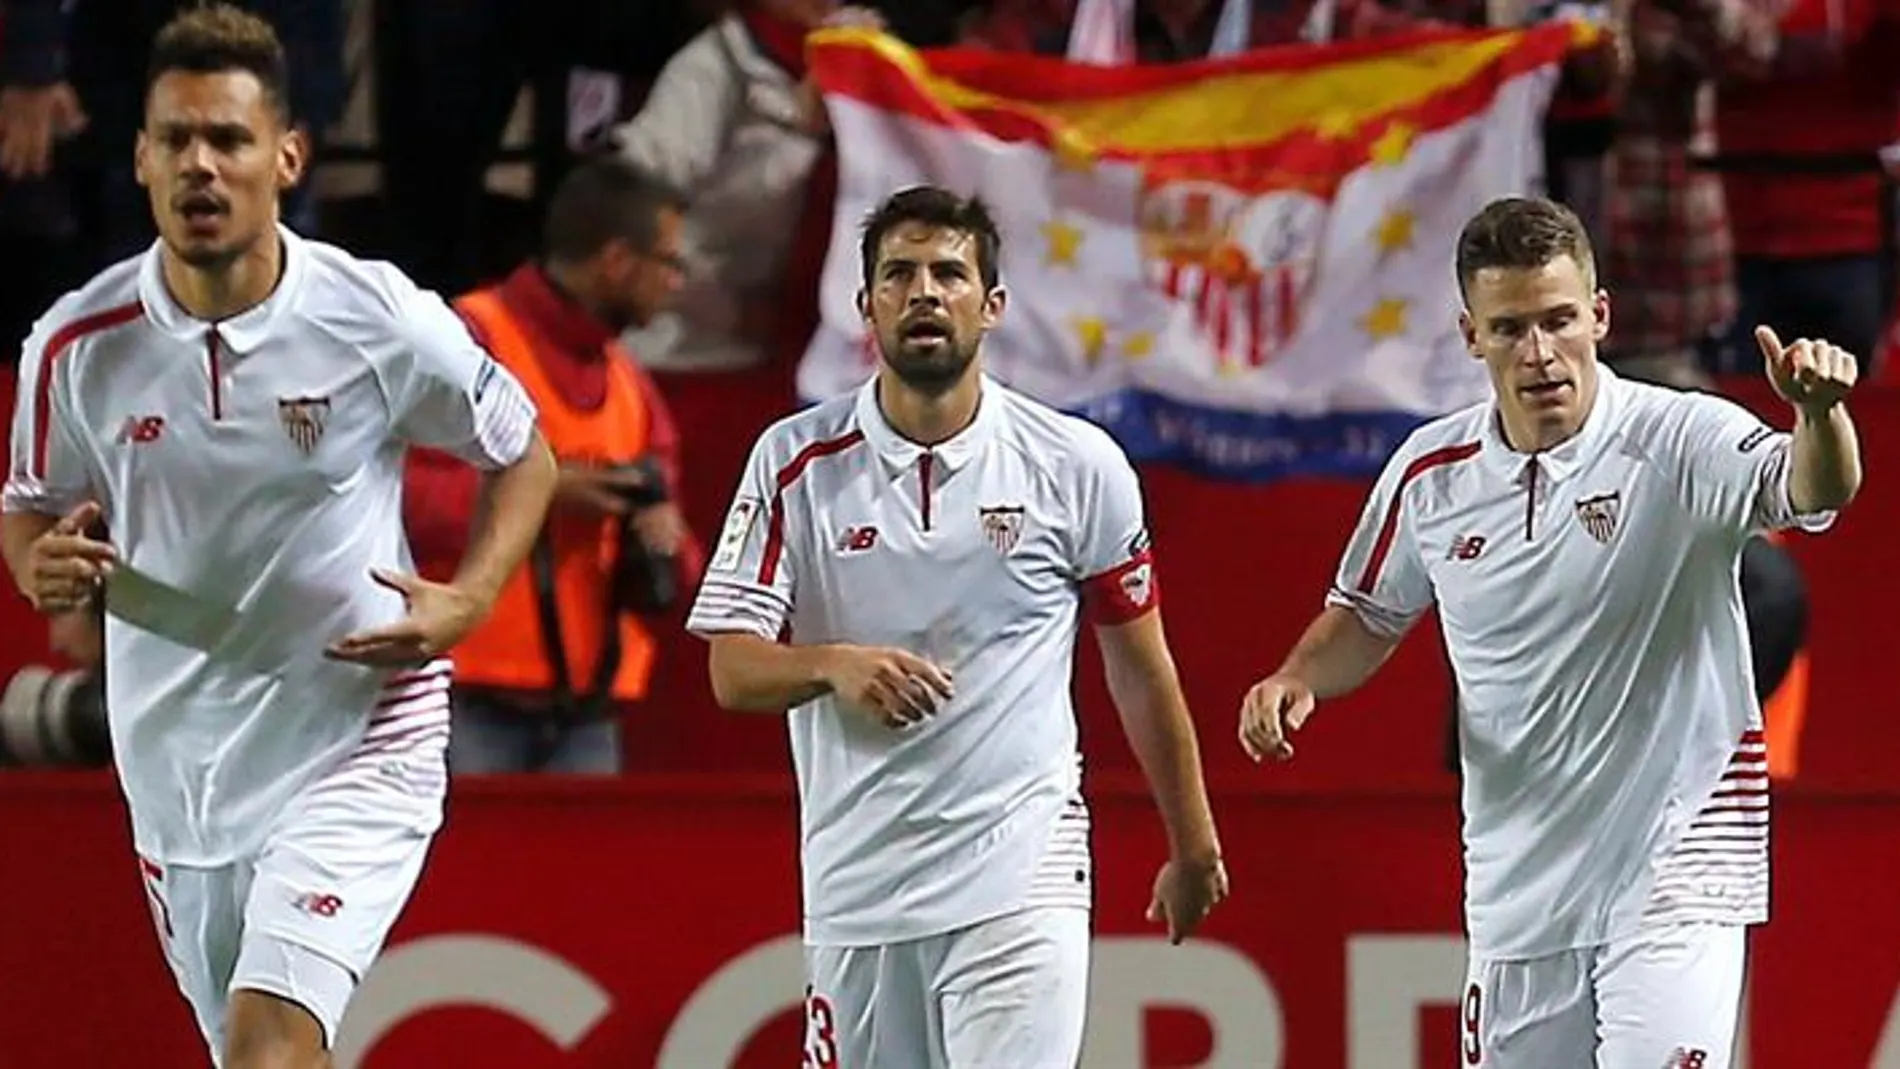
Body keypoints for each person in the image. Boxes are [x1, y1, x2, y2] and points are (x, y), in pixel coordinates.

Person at [0, 7, 557, 1068]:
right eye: (177, 141)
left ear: (288, 156)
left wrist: (472, 599)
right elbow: (27, 503)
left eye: (229, 140)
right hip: (178, 767)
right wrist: (39, 563)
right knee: (255, 1056)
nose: (201, 166)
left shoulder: (375, 317)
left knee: (266, 1049)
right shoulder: (76, 346)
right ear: (141, 158)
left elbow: (521, 452)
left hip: (358, 734)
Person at [1238, 195, 1862, 1067]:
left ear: (1598, 316)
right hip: (1518, 896)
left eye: (1559, 320)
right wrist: (1296, 678)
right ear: (1471, 336)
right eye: (1510, 328)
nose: (1539, 354)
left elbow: (1816, 488)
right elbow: (1368, 615)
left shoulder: (1677, 436)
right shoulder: (1428, 475)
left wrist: (1821, 416)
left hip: (1675, 871)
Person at [688, 185, 1229, 1067]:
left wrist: (1193, 840)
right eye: (899, 274)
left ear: (993, 303)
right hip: (858, 887)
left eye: (949, 272)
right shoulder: (794, 463)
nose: (925, 292)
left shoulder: (1076, 465)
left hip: (1024, 873)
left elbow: (1141, 667)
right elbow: (731, 669)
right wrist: (831, 665)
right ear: (866, 306)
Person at [403, 156, 704, 774]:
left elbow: (682, 562)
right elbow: (395, 499)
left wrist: (659, 540)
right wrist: (543, 493)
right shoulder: (465, 340)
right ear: (618, 260)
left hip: (587, 717)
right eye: (670, 262)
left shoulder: (632, 386)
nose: (677, 283)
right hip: (463, 699)